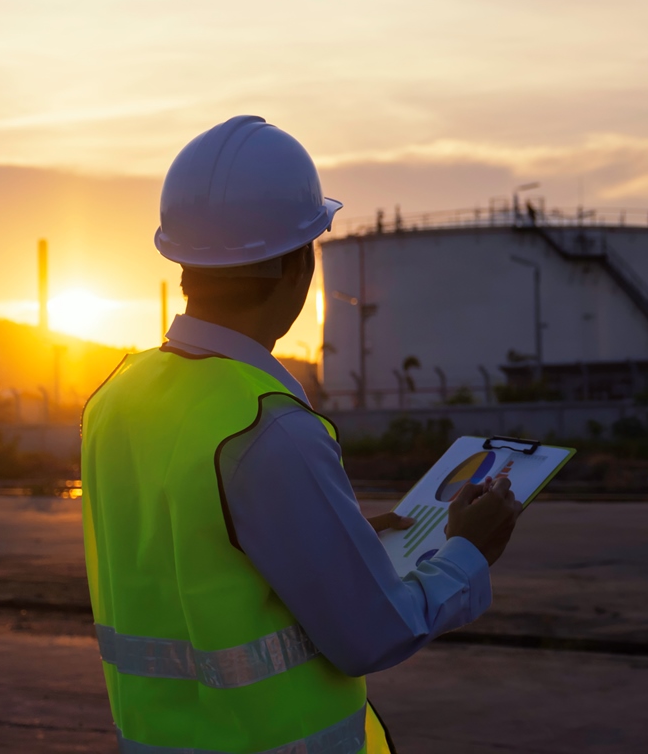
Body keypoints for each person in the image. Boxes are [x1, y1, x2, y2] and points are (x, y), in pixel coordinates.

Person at [81, 115, 521, 754]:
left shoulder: (118, 397)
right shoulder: (268, 428)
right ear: (300, 263)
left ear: (183, 261)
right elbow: (375, 633)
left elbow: (188, 566)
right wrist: (468, 553)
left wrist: (329, 543)